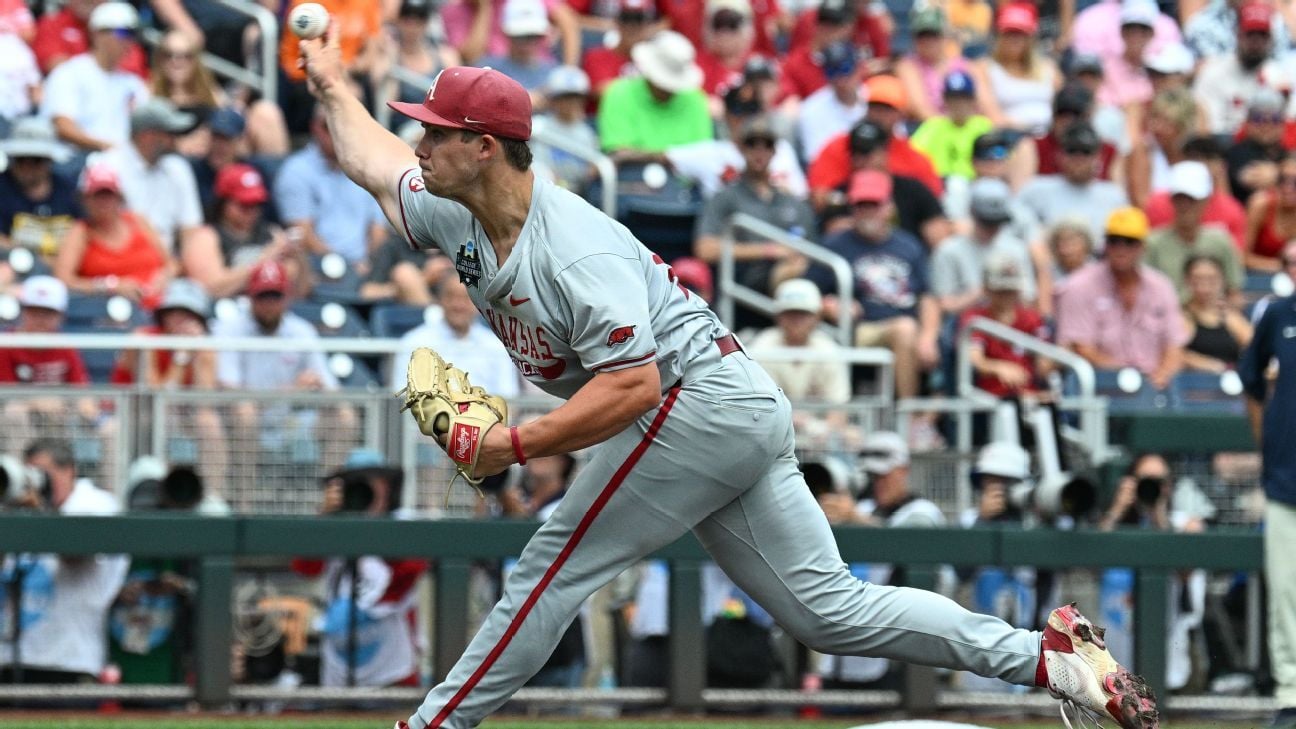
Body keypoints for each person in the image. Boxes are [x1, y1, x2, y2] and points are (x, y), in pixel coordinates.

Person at [296, 25, 1160, 725]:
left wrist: (513, 443)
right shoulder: (457, 208)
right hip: (725, 406)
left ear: (482, 147)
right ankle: (1043, 655)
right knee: (830, 613)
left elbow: (631, 387)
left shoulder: (576, 249)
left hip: (690, 401)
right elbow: (373, 161)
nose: (421, 138)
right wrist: (333, 86)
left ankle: (435, 724)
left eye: (436, 130)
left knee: (551, 568)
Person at [813, 431, 947, 690]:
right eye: (873, 477)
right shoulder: (862, 508)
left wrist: (855, 518)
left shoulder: (922, 511)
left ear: (903, 470)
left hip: (895, 652)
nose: (878, 483)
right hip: (841, 649)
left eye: (884, 475)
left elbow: (909, 543)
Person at [291, 449, 428, 687]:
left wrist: (370, 526)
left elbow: (411, 569)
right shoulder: (333, 526)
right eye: (357, 483)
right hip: (338, 669)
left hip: (394, 671)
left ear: (387, 486)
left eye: (374, 481)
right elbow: (305, 567)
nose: (367, 490)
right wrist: (325, 518)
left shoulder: (401, 523)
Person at [0, 438, 129, 683]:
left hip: (68, 663)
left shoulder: (94, 503)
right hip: (10, 661)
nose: (37, 483)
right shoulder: (19, 508)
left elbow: (76, 554)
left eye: (43, 474)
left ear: (69, 470)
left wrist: (41, 513)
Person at [805, 170, 940, 400]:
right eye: (861, 205)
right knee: (904, 329)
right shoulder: (835, 244)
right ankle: (908, 413)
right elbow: (807, 293)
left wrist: (928, 336)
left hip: (906, 322)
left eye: (874, 205)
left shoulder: (908, 244)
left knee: (934, 336)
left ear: (889, 208)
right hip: (860, 328)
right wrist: (830, 305)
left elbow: (927, 297)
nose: (868, 212)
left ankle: (927, 414)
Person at [1239, 255, 1296, 728]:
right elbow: (1250, 380)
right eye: (1290, 262)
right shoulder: (1277, 316)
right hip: (1285, 479)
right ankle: (1291, 693)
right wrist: (1269, 441)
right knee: (1285, 593)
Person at [692, 116, 817, 324]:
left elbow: (812, 249)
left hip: (796, 276)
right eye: (752, 144)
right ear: (741, 149)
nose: (760, 152)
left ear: (775, 151)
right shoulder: (725, 197)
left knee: (804, 272)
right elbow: (705, 249)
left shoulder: (792, 201)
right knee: (790, 274)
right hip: (746, 280)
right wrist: (768, 250)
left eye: (767, 145)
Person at [1055, 207, 1187, 391]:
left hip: (1155, 388)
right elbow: (1080, 348)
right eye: (1114, 241)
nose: (1121, 249)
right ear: (1105, 244)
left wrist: (1162, 375)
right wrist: (1131, 378)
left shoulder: (1161, 286)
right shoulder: (1078, 286)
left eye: (1129, 242)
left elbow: (1175, 345)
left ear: (1143, 246)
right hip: (1099, 388)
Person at [275, 105, 390, 268]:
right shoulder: (296, 171)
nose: (338, 133)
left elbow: (378, 231)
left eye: (345, 125)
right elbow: (303, 234)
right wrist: (346, 267)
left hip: (366, 267)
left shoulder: (369, 169)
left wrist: (368, 266)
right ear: (314, 127)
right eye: (328, 126)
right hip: (319, 268)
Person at [88, 98, 206, 255]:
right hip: (119, 258)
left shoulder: (178, 168)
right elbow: (95, 228)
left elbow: (191, 229)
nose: (175, 140)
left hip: (169, 262)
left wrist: (179, 265)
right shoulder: (106, 165)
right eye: (169, 133)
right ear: (147, 136)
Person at [54, 164, 171, 310]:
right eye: (97, 195)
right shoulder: (80, 232)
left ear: (119, 197)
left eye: (108, 194)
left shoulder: (138, 221)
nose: (103, 202)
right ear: (85, 200)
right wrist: (110, 285)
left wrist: (164, 277)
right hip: (111, 310)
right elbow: (63, 280)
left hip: (160, 304)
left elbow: (171, 263)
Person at [40, 1, 150, 153]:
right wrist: (109, 147)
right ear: (97, 34)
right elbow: (62, 126)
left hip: (121, 162)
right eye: (122, 32)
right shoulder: (69, 73)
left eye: (132, 34)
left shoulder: (133, 83)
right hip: (76, 158)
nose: (129, 41)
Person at [391, 278, 520, 397]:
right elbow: (404, 398)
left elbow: (509, 399)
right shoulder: (413, 342)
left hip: (488, 420)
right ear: (439, 300)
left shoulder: (496, 345)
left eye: (466, 298)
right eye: (451, 297)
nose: (458, 305)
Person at [931, 178, 1037, 316]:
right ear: (972, 212)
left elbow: (1028, 300)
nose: (992, 228)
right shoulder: (949, 250)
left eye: (997, 222)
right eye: (987, 222)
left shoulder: (1017, 249)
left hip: (1009, 323)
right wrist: (985, 291)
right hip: (964, 324)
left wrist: (1005, 292)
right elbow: (944, 306)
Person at [597, 30, 712, 157]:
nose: (667, 89)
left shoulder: (695, 99)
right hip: (632, 174)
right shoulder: (619, 93)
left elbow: (702, 155)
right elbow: (618, 152)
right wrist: (673, 157)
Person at [1143, 161, 1244, 300]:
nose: (1185, 206)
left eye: (1192, 199)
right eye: (1179, 198)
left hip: (1213, 316)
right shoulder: (1152, 243)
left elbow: (1235, 293)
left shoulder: (1220, 240)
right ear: (1171, 200)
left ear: (1206, 201)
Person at [1018, 122, 1129, 244]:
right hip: (1049, 258)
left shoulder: (1114, 196)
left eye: (1086, 152)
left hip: (1098, 259)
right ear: (1059, 154)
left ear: (1098, 157)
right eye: (1072, 151)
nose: (1078, 158)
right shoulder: (1037, 190)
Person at [1193, 1, 1293, 136]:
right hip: (1223, 146)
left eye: (1262, 35)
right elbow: (1208, 127)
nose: (1256, 42)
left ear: (1271, 38)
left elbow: (1289, 125)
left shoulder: (1279, 76)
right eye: (1251, 34)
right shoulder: (1213, 72)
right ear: (1238, 33)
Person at [959, 252, 1051, 398]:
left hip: (1029, 394)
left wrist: (1051, 365)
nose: (1006, 296)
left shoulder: (1032, 318)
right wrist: (999, 368)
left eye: (1010, 290)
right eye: (1000, 291)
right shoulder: (975, 318)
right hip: (989, 397)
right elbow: (975, 359)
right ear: (987, 289)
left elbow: (1044, 362)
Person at [970, 3, 1060, 135]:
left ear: (1031, 38)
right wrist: (1029, 130)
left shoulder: (1048, 67)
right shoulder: (983, 68)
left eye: (1021, 34)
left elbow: (1063, 106)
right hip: (1008, 138)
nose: (1015, 39)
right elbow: (992, 115)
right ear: (999, 36)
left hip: (1049, 138)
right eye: (1009, 33)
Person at [0, 117, 79, 261]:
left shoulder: (69, 191)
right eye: (21, 159)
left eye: (36, 160)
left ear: (49, 160)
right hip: (15, 267)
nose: (27, 167)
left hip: (63, 269)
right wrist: (38, 260)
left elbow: (85, 233)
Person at [909, 70, 995, 179]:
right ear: (945, 100)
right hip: (939, 182)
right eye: (953, 99)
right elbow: (914, 157)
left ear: (973, 100)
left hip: (976, 183)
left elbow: (994, 161)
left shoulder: (983, 126)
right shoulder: (933, 126)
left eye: (963, 99)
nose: (958, 104)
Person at [894, 6, 971, 122]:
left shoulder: (962, 64)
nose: (928, 41)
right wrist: (948, 128)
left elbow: (979, 104)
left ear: (944, 36)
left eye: (933, 35)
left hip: (963, 125)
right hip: (926, 128)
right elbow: (919, 108)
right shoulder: (907, 66)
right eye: (922, 35)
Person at [795, 39, 865, 160]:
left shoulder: (877, 99)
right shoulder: (811, 110)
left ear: (858, 68)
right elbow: (816, 160)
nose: (840, 79)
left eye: (846, 69)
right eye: (832, 72)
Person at [1181, 256, 1253, 373]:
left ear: (1222, 280)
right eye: (1197, 278)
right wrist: (1209, 365)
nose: (1204, 284)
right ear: (1187, 280)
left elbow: (1255, 347)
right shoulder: (1180, 316)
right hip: (1193, 384)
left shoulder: (1232, 318)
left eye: (1211, 278)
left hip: (1230, 383)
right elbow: (1174, 354)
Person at [478, 0, 558, 98]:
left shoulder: (554, 73)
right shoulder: (489, 71)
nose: (527, 43)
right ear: (506, 34)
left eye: (533, 36)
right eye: (520, 37)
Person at [1245, 154, 1296, 272]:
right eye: (1282, 180)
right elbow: (1242, 257)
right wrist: (1283, 267)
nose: (1288, 188)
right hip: (1259, 280)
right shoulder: (1260, 205)